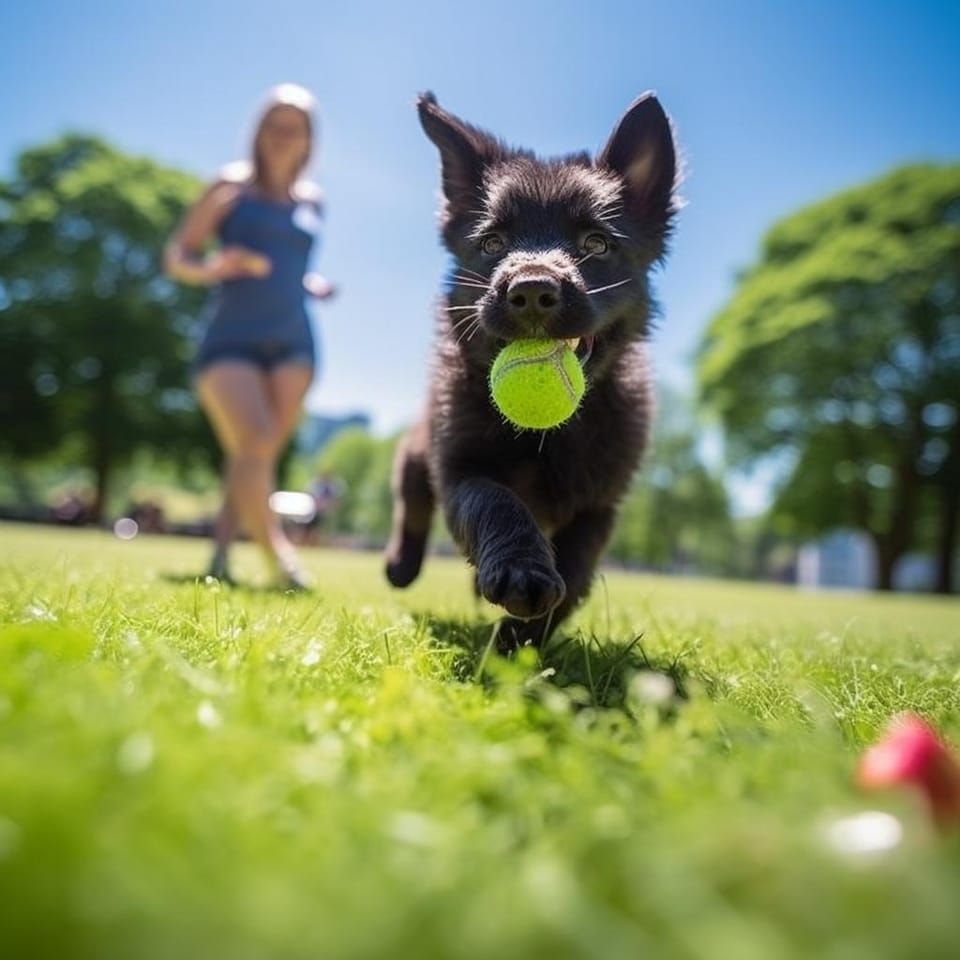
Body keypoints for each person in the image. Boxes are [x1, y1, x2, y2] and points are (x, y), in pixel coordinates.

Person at [164, 83, 336, 589]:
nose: (285, 136)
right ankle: (281, 562)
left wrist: (312, 283)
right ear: (259, 132)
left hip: (294, 339)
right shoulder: (229, 187)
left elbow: (292, 266)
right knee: (255, 441)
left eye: (296, 128)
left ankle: (219, 555)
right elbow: (179, 256)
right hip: (231, 336)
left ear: (309, 139)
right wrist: (217, 266)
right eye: (275, 125)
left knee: (252, 455)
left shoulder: (314, 202)